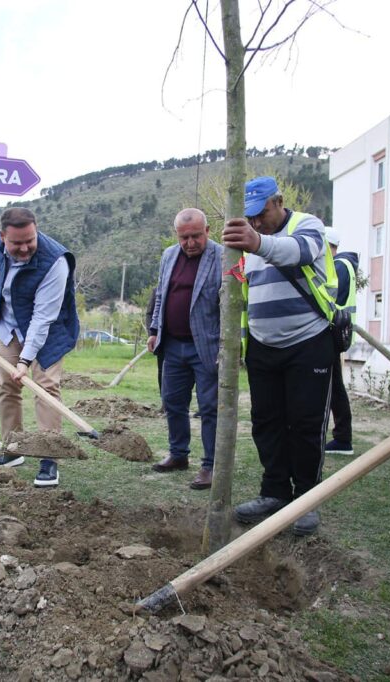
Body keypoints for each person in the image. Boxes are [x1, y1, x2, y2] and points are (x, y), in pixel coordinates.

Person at [222, 176, 336, 535]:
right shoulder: (248, 243)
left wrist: (257, 242)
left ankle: (306, 499)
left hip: (308, 342)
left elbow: (299, 252)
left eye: (262, 213)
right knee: (266, 422)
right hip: (262, 346)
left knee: (305, 423)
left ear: (279, 201)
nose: (256, 222)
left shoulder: (307, 225)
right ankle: (274, 492)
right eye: (250, 217)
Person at [0, 207, 79, 488]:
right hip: (8, 327)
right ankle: (13, 449)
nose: (25, 248)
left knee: (46, 388)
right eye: (17, 243)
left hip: (48, 331)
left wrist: (25, 361)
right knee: (6, 386)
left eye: (30, 240)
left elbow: (43, 317)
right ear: (3, 237)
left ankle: (48, 456)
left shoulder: (55, 261)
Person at [147, 208, 223, 490]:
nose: (190, 243)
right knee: (173, 402)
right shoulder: (169, 255)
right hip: (173, 345)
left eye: (195, 236)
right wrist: (155, 330)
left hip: (207, 346)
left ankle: (211, 465)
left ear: (207, 231)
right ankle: (178, 454)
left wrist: (228, 346)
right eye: (184, 237)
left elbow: (232, 304)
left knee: (210, 408)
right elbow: (161, 295)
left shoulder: (224, 257)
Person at [323, 227, 358, 456]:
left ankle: (343, 438)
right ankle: (342, 437)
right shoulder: (344, 265)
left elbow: (328, 298)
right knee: (334, 385)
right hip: (336, 332)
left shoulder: (339, 266)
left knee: (333, 386)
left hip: (332, 333)